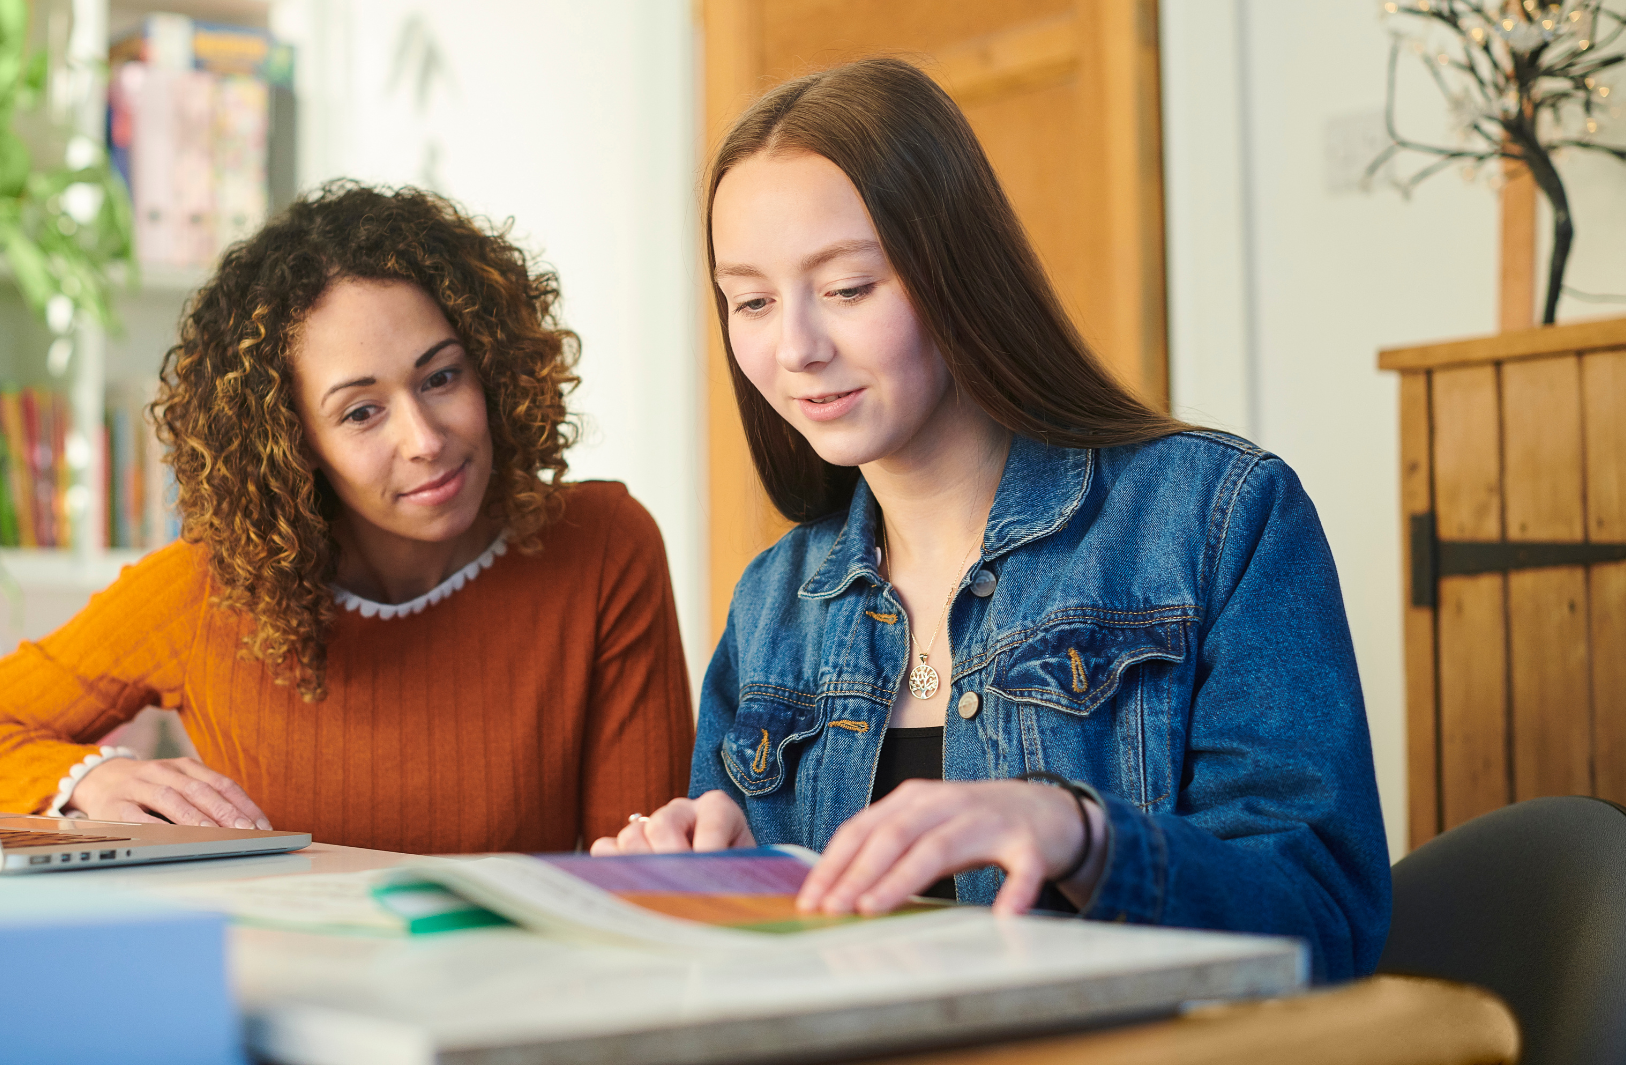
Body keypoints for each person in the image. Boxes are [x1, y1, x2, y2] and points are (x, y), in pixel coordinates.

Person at [591, 57, 1389, 982]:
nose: (796, 348)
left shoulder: (1215, 520)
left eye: (848, 288)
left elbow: (1326, 926)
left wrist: (1081, 837)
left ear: (957, 272)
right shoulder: (775, 603)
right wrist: (712, 878)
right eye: (753, 302)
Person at [0, 183, 694, 854]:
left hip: (521, 993)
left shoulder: (601, 546)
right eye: (362, 411)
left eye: (441, 377)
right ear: (293, 441)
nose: (425, 439)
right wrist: (91, 778)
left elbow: (641, 872)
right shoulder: (204, 590)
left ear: (491, 366)